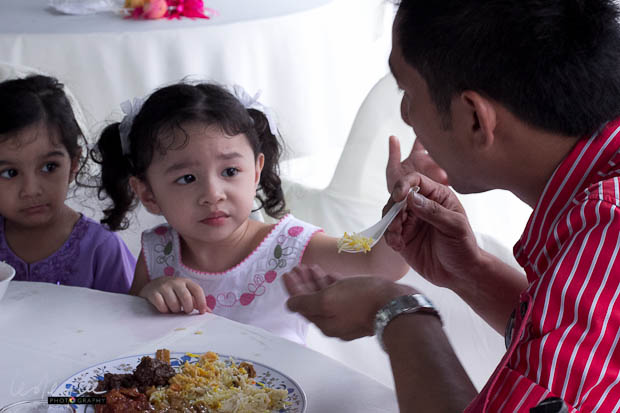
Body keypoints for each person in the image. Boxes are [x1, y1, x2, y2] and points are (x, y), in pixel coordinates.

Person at [283, 0, 620, 411]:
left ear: (475, 117)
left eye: (407, 93)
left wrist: (395, 310)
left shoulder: (608, 226)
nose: (406, 115)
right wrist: (471, 272)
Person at [92, 81, 407, 344]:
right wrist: (151, 293)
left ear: (256, 172)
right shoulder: (158, 252)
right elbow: (131, 337)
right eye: (187, 178)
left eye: (230, 171)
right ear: (148, 193)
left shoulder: (291, 246)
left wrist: (406, 207)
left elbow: (376, 263)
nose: (213, 194)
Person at [0, 75, 136, 293]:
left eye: (49, 167)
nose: (31, 190)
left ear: (73, 164)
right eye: (10, 173)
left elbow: (130, 313)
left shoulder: (101, 250)